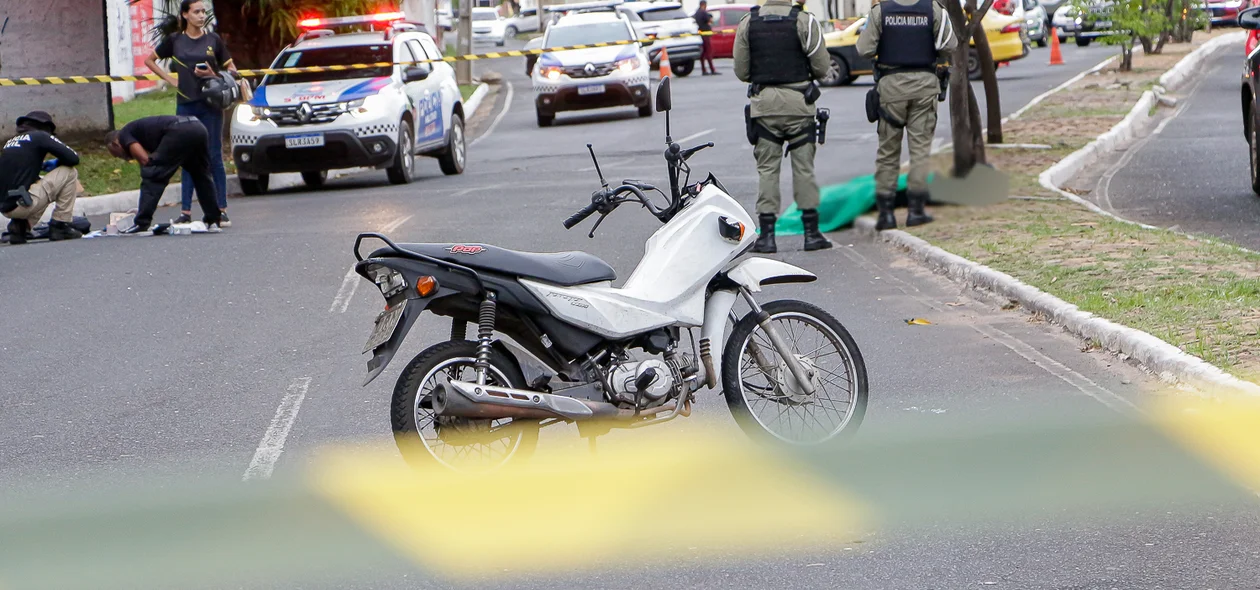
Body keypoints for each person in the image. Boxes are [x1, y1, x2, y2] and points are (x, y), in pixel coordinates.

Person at [734, 0, 832, 253]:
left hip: (764, 107)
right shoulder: (804, 21)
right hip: (799, 105)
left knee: (767, 171)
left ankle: (767, 237)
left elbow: (742, 72)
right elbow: (822, 68)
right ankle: (811, 234)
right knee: (804, 170)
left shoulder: (748, 23)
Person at [856, 0, 956, 230]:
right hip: (924, 86)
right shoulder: (933, 9)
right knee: (920, 151)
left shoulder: (881, 11)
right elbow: (949, 44)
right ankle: (916, 211)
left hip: (891, 88)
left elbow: (864, 49)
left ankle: (886, 215)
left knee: (888, 152)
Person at [145, 0, 243, 227]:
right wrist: (169, 78)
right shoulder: (175, 40)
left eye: (203, 12)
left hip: (210, 105)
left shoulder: (213, 40)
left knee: (214, 155)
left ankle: (221, 209)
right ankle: (186, 211)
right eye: (196, 12)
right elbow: (149, 60)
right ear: (185, 15)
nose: (201, 16)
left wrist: (213, 74)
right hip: (186, 105)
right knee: (187, 157)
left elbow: (232, 71)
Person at [105, 115, 222, 233]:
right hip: (198, 127)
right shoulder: (138, 131)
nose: (122, 158)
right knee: (201, 175)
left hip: (179, 131)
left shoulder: (124, 135)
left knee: (153, 175)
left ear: (116, 144)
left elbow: (146, 161)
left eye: (117, 154)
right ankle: (213, 219)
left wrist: (151, 171)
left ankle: (141, 222)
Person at [0, 111, 82, 245]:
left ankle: (20, 227)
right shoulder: (40, 136)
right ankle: (60, 225)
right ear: (45, 127)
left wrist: (43, 166)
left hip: (6, 206)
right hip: (23, 204)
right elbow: (73, 158)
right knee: (69, 173)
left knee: (41, 181)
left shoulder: (10, 142)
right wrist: (57, 162)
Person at [693, 1, 719, 76]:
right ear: (704, 5)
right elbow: (710, 20)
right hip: (705, 34)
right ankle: (712, 69)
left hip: (700, 34)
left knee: (703, 53)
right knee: (708, 52)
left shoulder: (696, 13)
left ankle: (704, 69)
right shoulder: (703, 12)